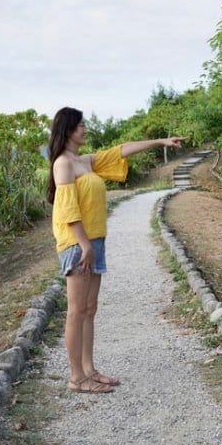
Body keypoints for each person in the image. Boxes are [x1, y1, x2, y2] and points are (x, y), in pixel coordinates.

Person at [46, 107, 185, 394]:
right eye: (81, 125)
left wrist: (160, 142)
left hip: (94, 241)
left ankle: (89, 370)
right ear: (68, 128)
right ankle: (76, 378)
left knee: (89, 309)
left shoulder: (84, 161)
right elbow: (68, 209)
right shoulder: (63, 164)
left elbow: (121, 151)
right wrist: (84, 245)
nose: (85, 128)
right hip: (77, 243)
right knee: (75, 311)